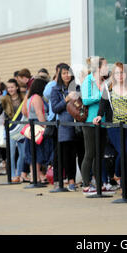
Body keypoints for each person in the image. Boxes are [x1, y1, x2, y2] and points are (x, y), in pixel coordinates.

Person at [93, 62, 127, 195]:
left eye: (122, 72)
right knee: (124, 151)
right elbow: (103, 105)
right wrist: (99, 116)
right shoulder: (108, 88)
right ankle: (120, 179)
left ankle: (122, 180)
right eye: (117, 73)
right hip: (114, 125)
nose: (120, 75)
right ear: (114, 74)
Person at [80, 57, 109, 195]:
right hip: (90, 122)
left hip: (102, 122)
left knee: (100, 155)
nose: (107, 68)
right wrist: (102, 95)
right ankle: (86, 185)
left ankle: (99, 184)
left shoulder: (104, 81)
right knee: (90, 153)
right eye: (105, 66)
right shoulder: (88, 80)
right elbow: (85, 99)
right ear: (98, 68)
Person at [50, 64, 81, 192]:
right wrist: (67, 99)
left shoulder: (77, 87)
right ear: (59, 75)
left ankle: (79, 180)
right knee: (65, 154)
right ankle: (68, 181)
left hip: (78, 124)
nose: (66, 75)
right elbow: (55, 108)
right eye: (63, 73)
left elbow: (82, 104)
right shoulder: (55, 90)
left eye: (68, 72)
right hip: (64, 126)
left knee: (77, 153)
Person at [0, 78, 25, 183]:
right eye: (8, 87)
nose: (10, 89)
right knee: (11, 154)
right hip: (10, 128)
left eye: (12, 87)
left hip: (21, 128)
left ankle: (19, 174)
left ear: (17, 87)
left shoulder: (23, 98)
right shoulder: (4, 99)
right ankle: (13, 175)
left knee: (23, 154)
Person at [24, 78, 50, 184]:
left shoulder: (30, 98)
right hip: (37, 126)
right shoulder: (38, 98)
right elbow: (40, 114)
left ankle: (34, 176)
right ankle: (36, 177)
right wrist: (44, 127)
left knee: (32, 152)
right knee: (38, 152)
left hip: (31, 126)